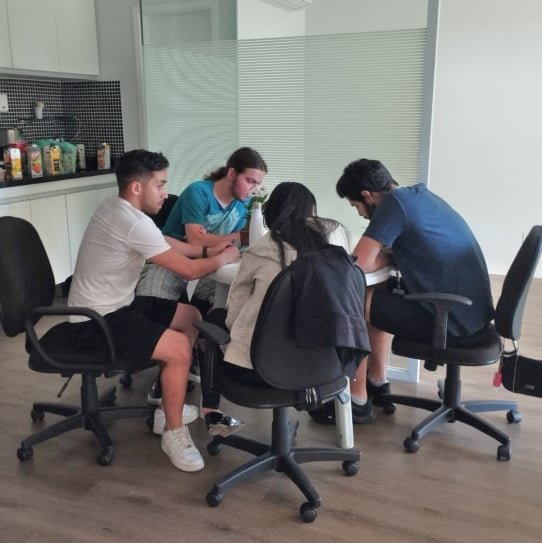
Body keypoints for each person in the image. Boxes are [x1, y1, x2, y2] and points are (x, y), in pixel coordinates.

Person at [67, 149, 240, 472]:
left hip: (117, 306)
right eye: (160, 185)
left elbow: (167, 243)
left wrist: (208, 250)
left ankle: (166, 408)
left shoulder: (116, 208)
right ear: (137, 187)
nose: (165, 193)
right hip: (95, 322)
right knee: (178, 348)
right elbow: (189, 271)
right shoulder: (132, 222)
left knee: (191, 317)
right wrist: (222, 258)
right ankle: (173, 433)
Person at [333, 158, 495, 417]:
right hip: (471, 314)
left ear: (367, 195)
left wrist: (381, 256)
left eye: (356, 206)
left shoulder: (393, 206)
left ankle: (357, 401)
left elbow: (358, 264)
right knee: (379, 298)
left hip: (451, 321)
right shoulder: (419, 196)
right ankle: (378, 383)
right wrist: (387, 255)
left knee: (354, 303)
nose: (360, 214)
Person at [200, 182, 371, 422]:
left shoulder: (259, 252)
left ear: (270, 214)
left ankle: (211, 411)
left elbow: (233, 316)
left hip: (259, 372)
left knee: (214, 318)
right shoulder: (336, 260)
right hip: (327, 370)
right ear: (312, 214)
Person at [135, 147, 267, 407]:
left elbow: (238, 244)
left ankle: (194, 362)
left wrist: (221, 242)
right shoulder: (199, 192)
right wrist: (228, 240)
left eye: (257, 184)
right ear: (232, 173)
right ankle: (168, 371)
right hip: (171, 260)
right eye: (250, 181)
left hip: (209, 267)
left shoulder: (243, 205)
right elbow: (196, 238)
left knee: (227, 305)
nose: (253, 189)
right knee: (152, 304)